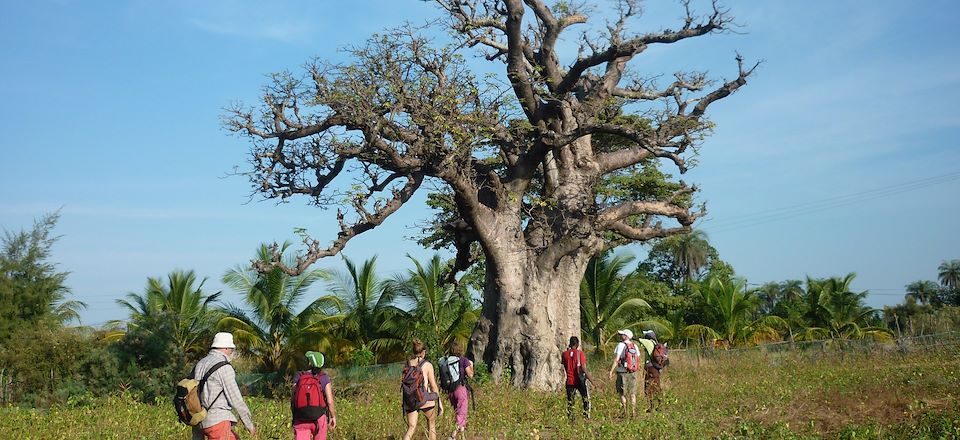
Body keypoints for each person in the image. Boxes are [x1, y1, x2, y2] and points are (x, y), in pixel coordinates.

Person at [191, 332, 256, 440]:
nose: (232, 351)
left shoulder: (201, 363)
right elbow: (235, 398)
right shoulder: (224, 367)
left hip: (199, 419)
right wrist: (249, 424)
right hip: (217, 419)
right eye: (232, 348)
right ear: (226, 347)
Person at [402, 339, 444, 440]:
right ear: (423, 352)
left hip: (410, 399)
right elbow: (433, 386)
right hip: (424, 398)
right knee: (431, 424)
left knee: (411, 427)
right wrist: (439, 402)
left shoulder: (407, 364)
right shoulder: (428, 365)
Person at [291, 351, 337, 440]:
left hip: (301, 417)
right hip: (319, 418)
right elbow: (330, 401)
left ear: (309, 363)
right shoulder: (324, 378)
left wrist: (294, 416)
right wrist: (333, 416)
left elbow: (293, 398)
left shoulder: (299, 376)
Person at [441, 341, 474, 440]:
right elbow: (470, 375)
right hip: (460, 389)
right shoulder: (463, 360)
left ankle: (463, 437)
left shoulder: (446, 361)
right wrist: (471, 365)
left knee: (458, 413)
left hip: (451, 391)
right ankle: (452, 436)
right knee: (462, 413)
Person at [607, 328, 639, 417]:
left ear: (626, 336)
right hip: (633, 372)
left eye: (622, 335)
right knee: (632, 393)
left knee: (621, 392)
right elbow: (637, 358)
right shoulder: (635, 346)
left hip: (622, 372)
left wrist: (611, 371)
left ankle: (625, 411)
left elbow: (616, 359)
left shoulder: (621, 345)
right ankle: (633, 412)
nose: (621, 336)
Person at [561, 336, 591, 420]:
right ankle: (586, 416)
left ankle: (571, 419)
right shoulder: (580, 353)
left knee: (570, 401)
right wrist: (592, 381)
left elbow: (565, 365)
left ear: (570, 343)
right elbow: (584, 369)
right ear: (577, 344)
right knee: (585, 398)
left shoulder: (564, 354)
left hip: (569, 381)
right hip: (579, 380)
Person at [640, 330, 663, 413]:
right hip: (655, 369)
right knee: (657, 387)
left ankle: (652, 406)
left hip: (650, 368)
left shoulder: (647, 342)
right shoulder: (654, 343)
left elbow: (636, 339)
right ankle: (659, 405)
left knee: (648, 387)